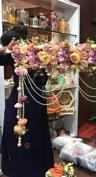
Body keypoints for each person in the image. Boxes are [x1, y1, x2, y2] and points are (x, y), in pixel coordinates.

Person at [0, 21, 54, 177]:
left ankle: (32, 168)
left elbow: (45, 76)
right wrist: (7, 49)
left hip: (34, 97)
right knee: (15, 129)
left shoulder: (39, 52)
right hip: (23, 96)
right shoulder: (12, 53)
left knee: (33, 131)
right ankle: (18, 168)